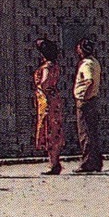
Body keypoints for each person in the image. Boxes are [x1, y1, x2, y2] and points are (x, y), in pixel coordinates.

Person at [33, 37, 66, 175]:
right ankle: (55, 161)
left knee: (49, 130)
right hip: (54, 100)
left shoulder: (47, 67)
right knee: (55, 129)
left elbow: (45, 82)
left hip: (47, 102)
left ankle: (53, 163)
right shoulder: (55, 66)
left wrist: (40, 87)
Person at [72, 36, 103, 173]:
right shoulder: (94, 62)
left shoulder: (86, 64)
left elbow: (89, 80)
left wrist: (84, 97)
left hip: (86, 101)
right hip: (93, 99)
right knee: (92, 131)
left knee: (85, 132)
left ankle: (87, 162)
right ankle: (96, 161)